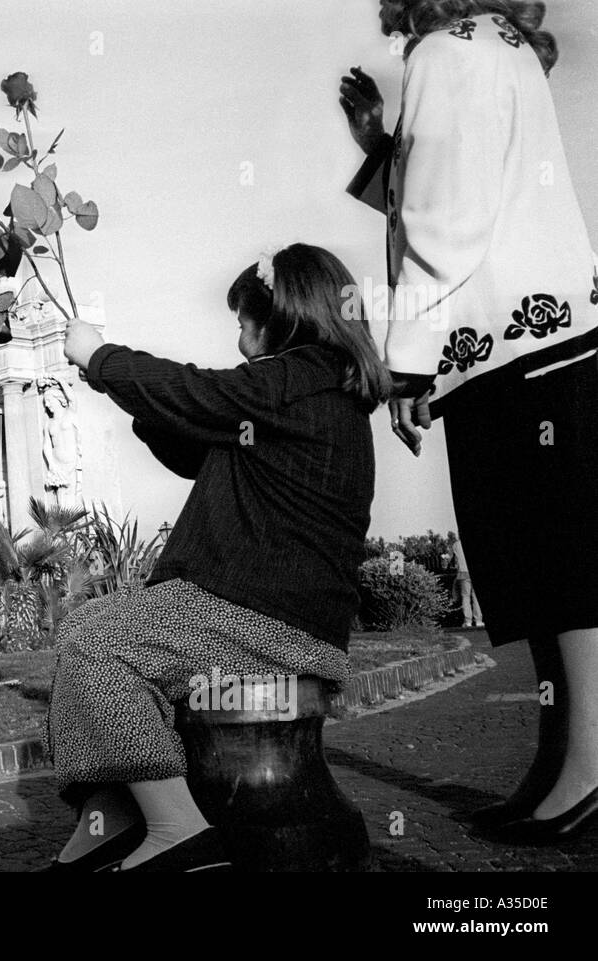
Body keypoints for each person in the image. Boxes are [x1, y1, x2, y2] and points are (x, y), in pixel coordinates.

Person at [341, 0, 598, 843]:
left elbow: (442, 222)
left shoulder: (446, 52)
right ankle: (563, 764)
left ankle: (585, 767)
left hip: (508, 351)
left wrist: (406, 355)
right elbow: (459, 193)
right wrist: (382, 146)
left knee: (555, 560)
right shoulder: (502, 43)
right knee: (547, 560)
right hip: (539, 338)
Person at [47, 244, 386, 871]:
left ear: (281, 314)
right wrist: (128, 392)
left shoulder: (300, 376)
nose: (237, 339)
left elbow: (198, 394)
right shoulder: (312, 389)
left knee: (93, 639)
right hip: (270, 615)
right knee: (99, 632)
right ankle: (116, 816)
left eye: (242, 320)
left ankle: (176, 831)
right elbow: (194, 439)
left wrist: (102, 357)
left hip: (269, 623)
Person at [447, 533, 481, 628]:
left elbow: (449, 559)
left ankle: (468, 621)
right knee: (476, 597)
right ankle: (478, 620)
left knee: (465, 597)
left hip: (463, 573)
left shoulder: (456, 545)